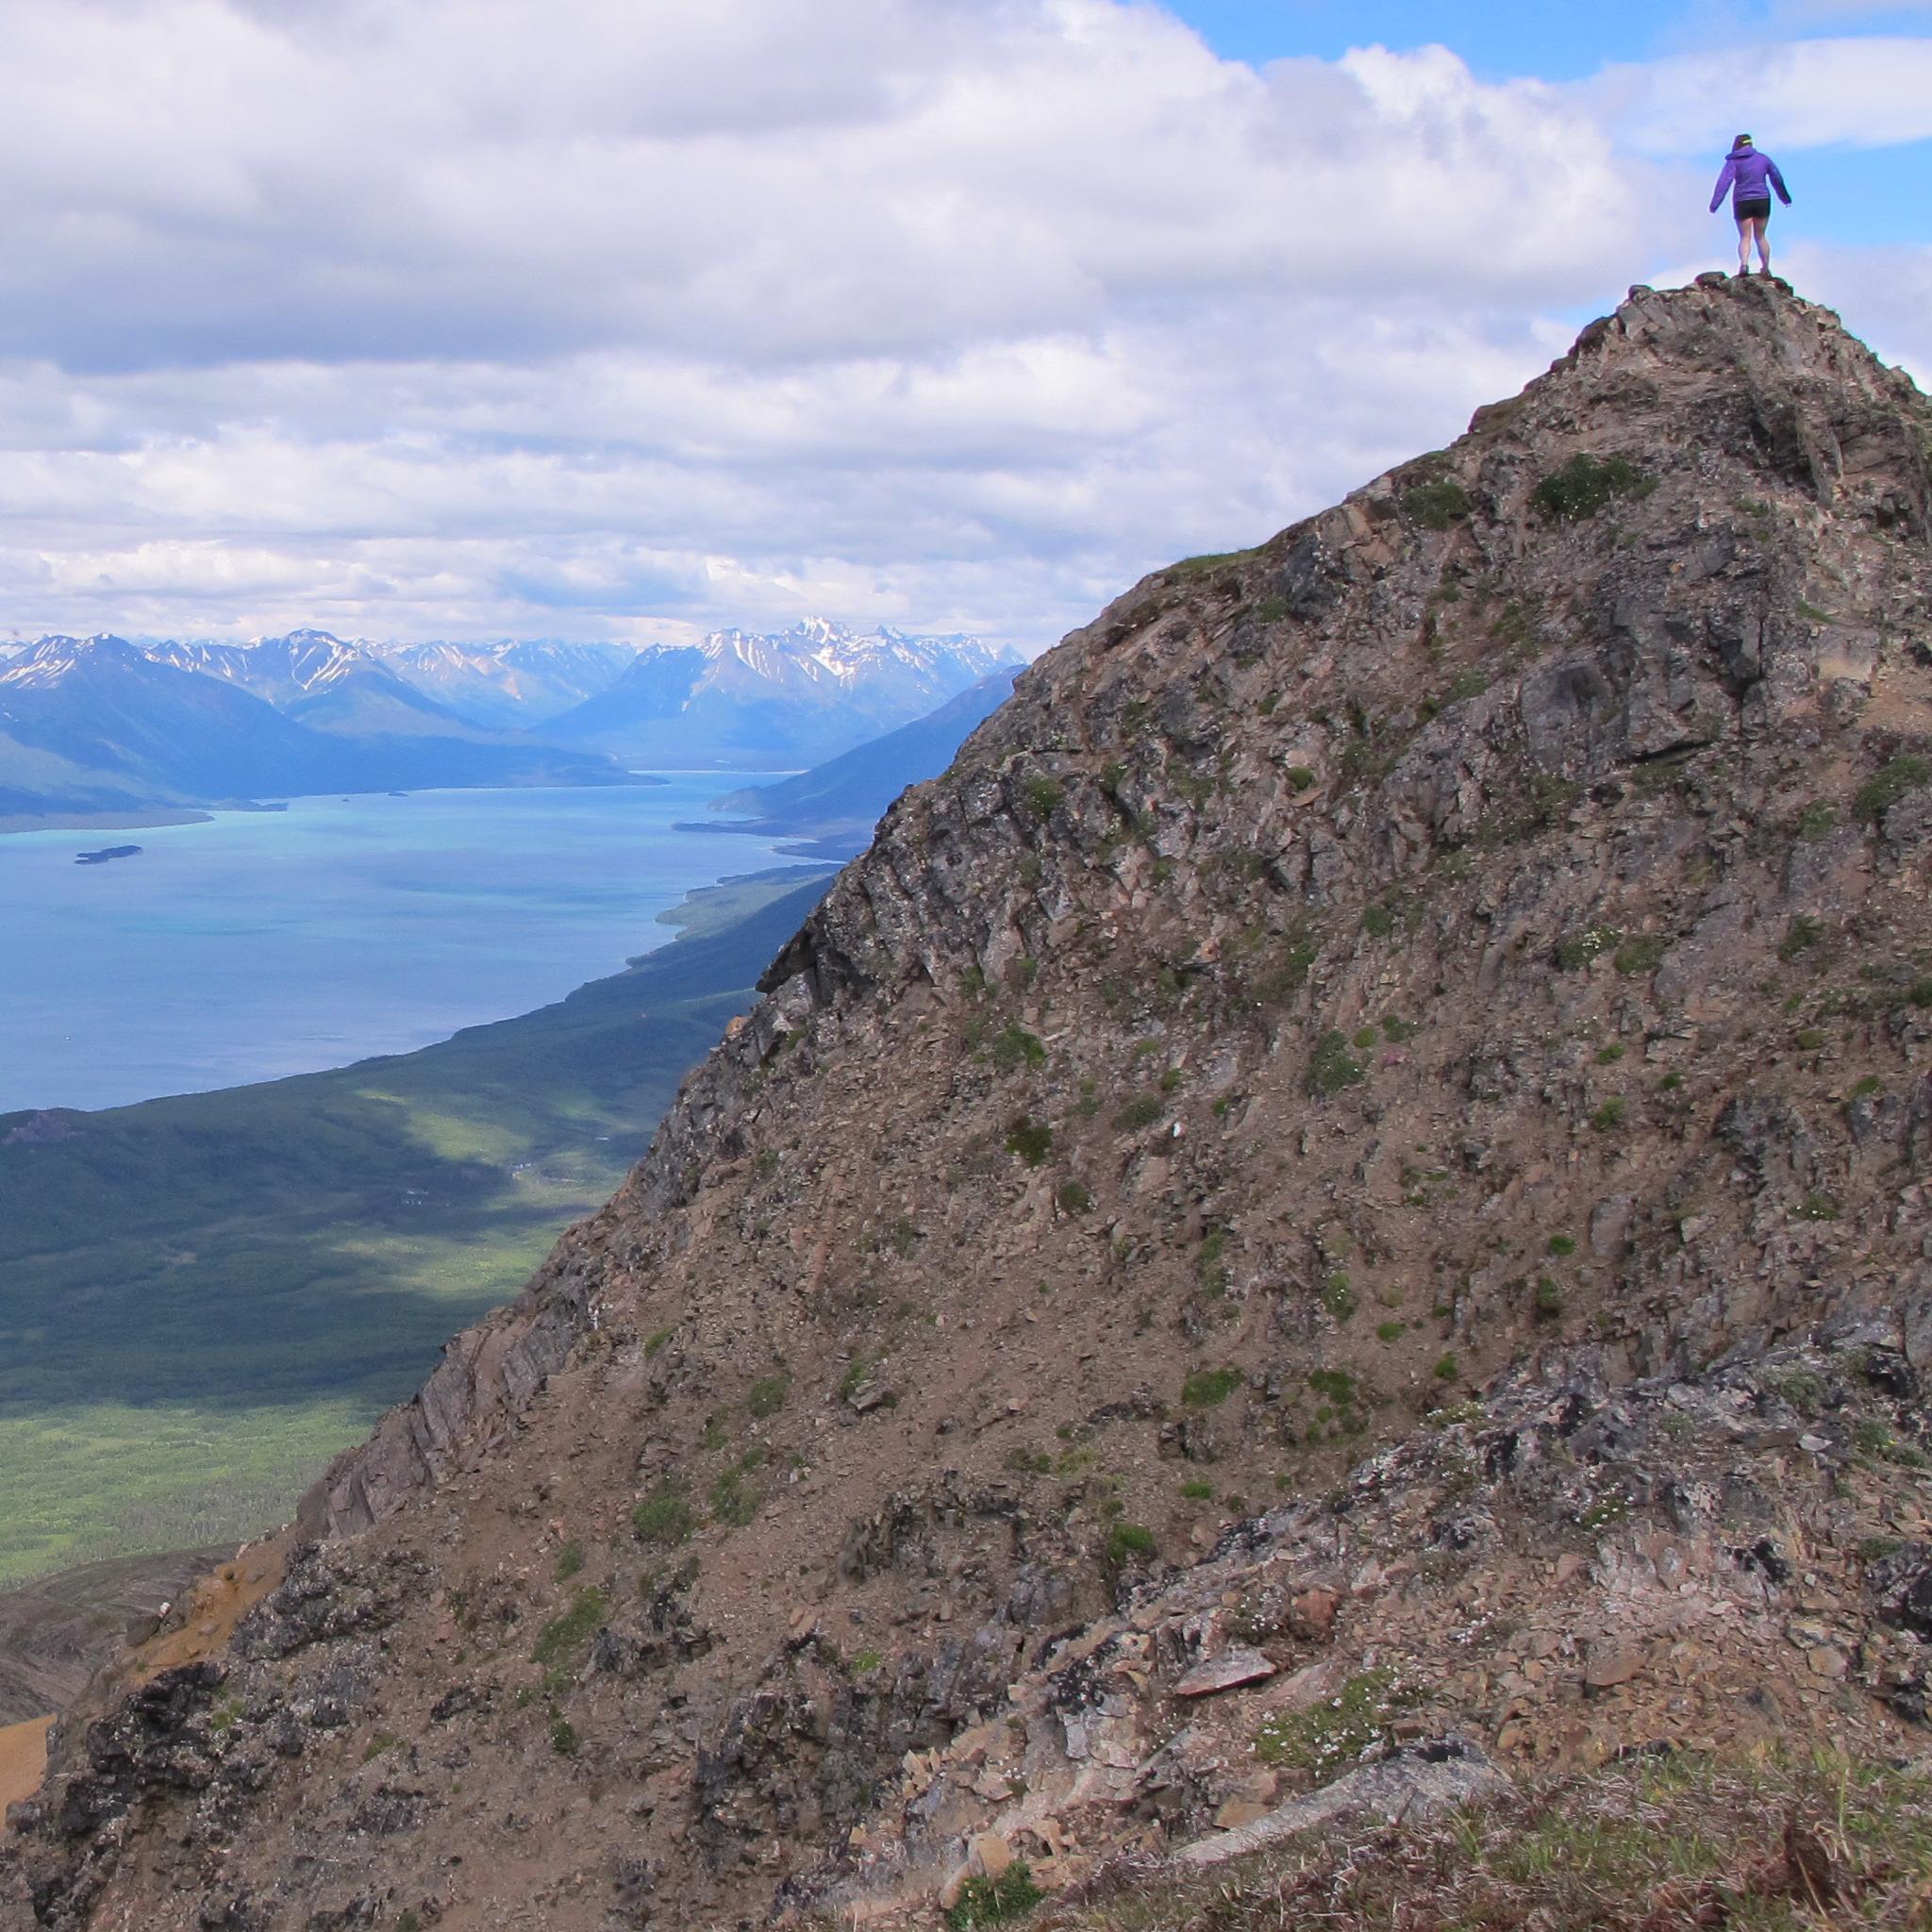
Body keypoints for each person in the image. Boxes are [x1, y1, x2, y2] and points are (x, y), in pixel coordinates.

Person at [1709, 134, 1791, 277]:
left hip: (1742, 200)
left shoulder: (1733, 162)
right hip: (1762, 199)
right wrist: (1785, 198)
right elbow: (1776, 177)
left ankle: (1744, 265)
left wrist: (1715, 204)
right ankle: (1765, 268)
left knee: (1745, 237)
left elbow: (1724, 182)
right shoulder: (1763, 159)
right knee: (1761, 236)